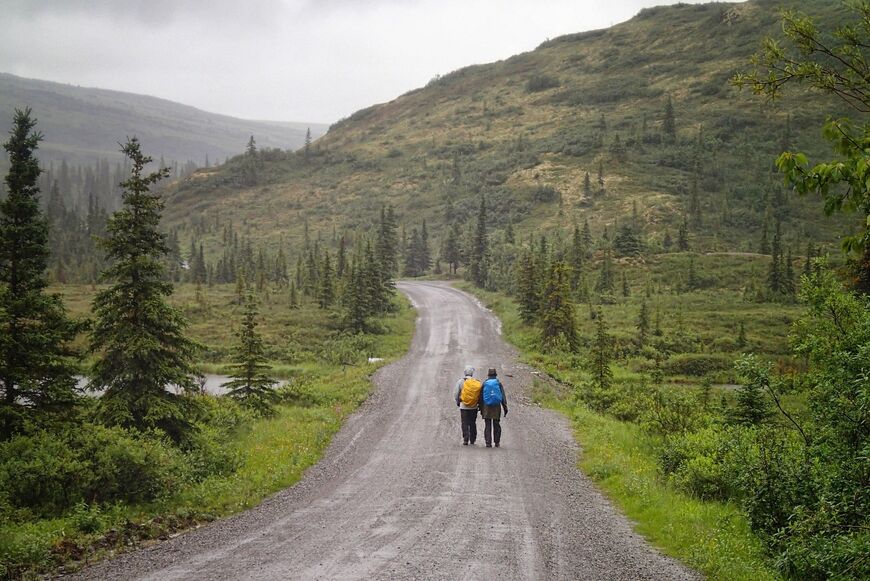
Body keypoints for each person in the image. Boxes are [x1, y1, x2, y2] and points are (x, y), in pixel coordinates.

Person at [454, 365, 482, 446]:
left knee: (464, 422)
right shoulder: (476, 382)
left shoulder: (460, 382)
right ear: (472, 373)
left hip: (463, 406)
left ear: (465, 373)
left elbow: (456, 393)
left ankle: (466, 439)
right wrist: (479, 404)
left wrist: (458, 402)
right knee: (472, 422)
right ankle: (473, 439)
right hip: (473, 406)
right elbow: (479, 394)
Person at [480, 368, 508, 448]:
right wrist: (505, 408)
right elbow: (503, 397)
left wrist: (480, 408)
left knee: (487, 424)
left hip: (486, 407)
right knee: (496, 424)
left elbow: (481, 397)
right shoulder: (498, 383)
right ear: (496, 375)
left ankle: (488, 443)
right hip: (496, 407)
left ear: (488, 375)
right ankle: (497, 443)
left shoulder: (485, 383)